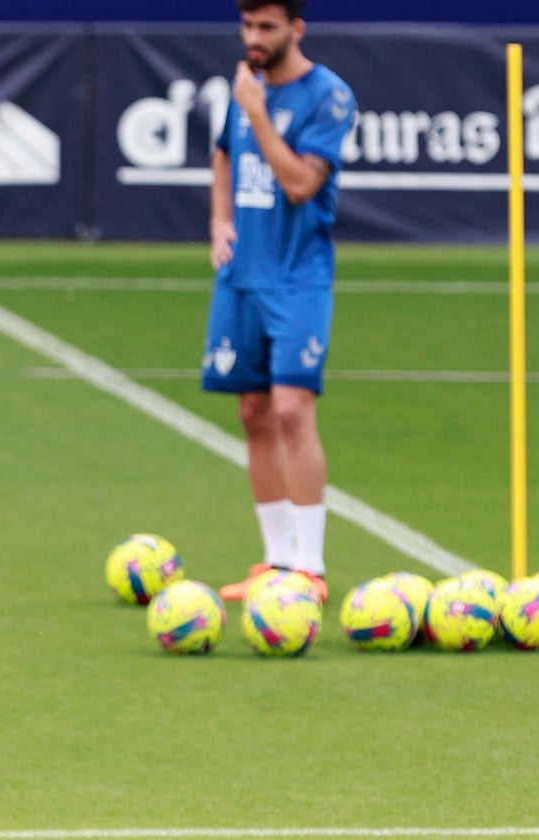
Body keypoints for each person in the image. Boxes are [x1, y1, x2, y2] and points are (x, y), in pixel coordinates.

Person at [201, 0, 356, 603]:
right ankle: (276, 561)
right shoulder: (245, 87)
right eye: (247, 26)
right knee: (253, 413)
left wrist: (258, 113)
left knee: (293, 409)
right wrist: (219, 222)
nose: (254, 38)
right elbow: (221, 155)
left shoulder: (327, 96)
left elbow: (298, 183)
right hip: (242, 276)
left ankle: (310, 570)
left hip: (298, 278)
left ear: (297, 27)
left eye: (267, 27)